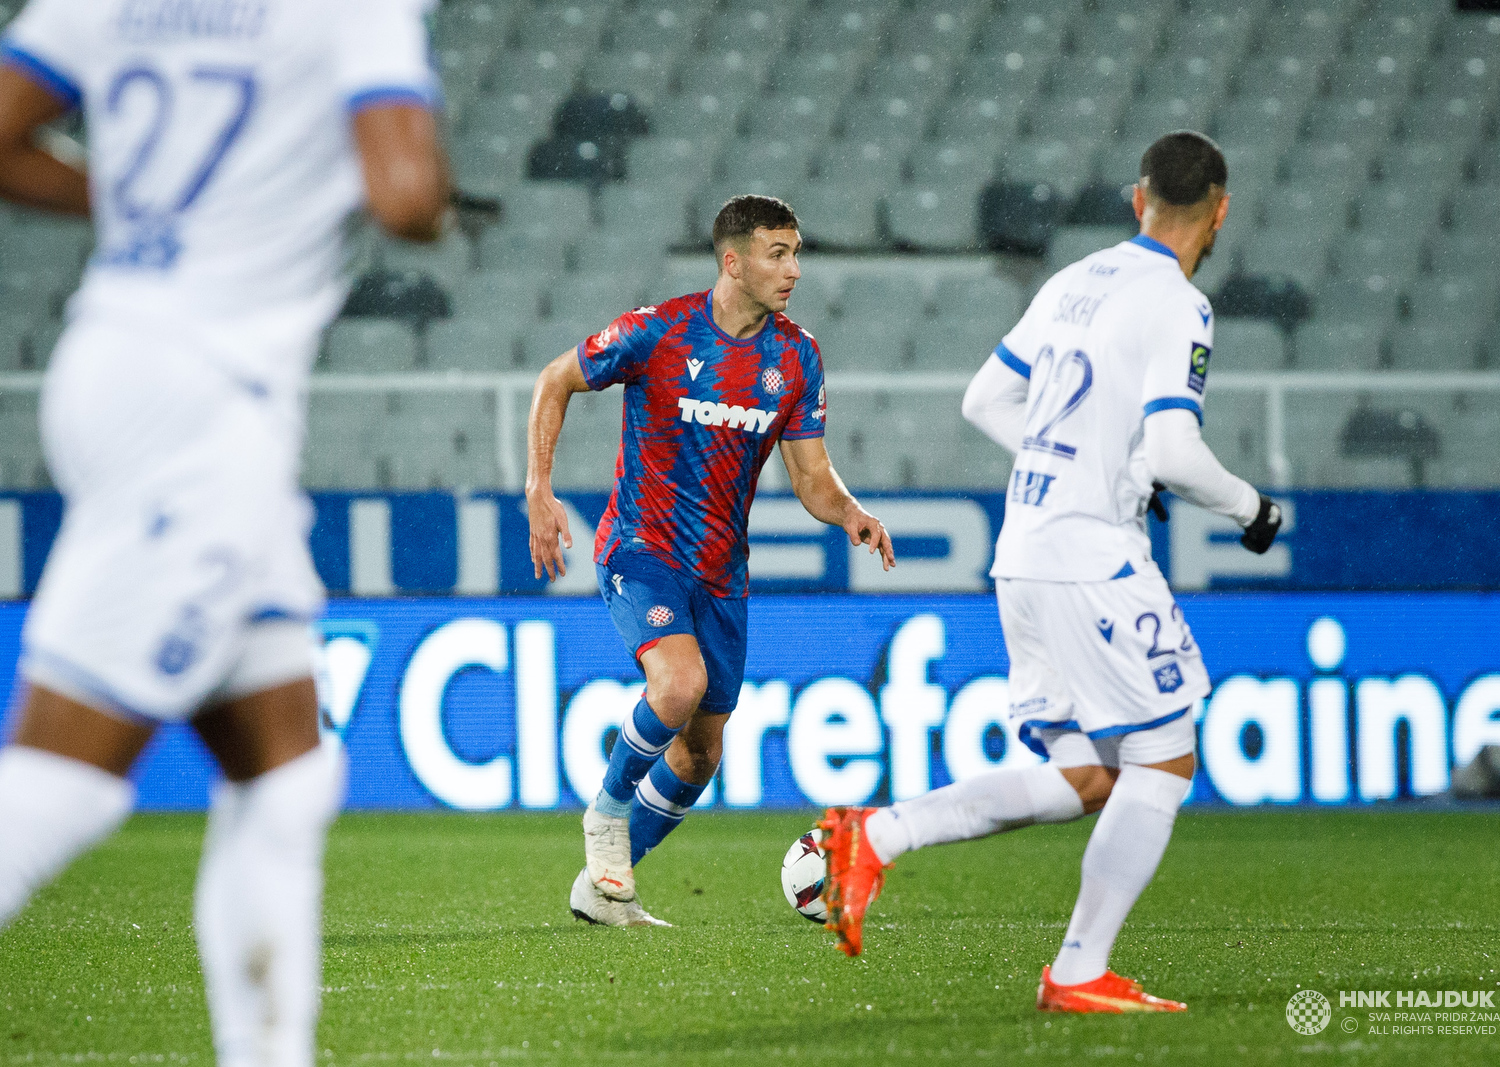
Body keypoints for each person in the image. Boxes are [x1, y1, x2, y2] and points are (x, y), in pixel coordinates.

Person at [0, 1, 449, 1062]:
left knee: (285, 770)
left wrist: (136, 207)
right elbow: (406, 196)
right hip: (205, 410)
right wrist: (429, 196)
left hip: (116, 356)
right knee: (62, 776)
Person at [817, 131, 1283, 1013]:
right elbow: (1174, 449)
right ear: (1220, 211)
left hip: (1023, 551)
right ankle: (1076, 971)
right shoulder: (1179, 303)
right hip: (1090, 557)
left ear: (1133, 199)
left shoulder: (1074, 281)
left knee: (1092, 775)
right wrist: (1252, 509)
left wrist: (1082, 466)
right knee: (1166, 759)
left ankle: (876, 833)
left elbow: (985, 398)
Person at [525, 194, 896, 927]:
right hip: (641, 549)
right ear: (734, 261)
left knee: (699, 755)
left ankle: (602, 888)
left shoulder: (795, 356)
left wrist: (849, 510)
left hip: (721, 573)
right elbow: (554, 379)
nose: (793, 269)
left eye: (796, 252)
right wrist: (540, 487)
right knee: (678, 682)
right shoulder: (658, 332)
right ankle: (604, 813)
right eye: (777, 253)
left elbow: (812, 477)